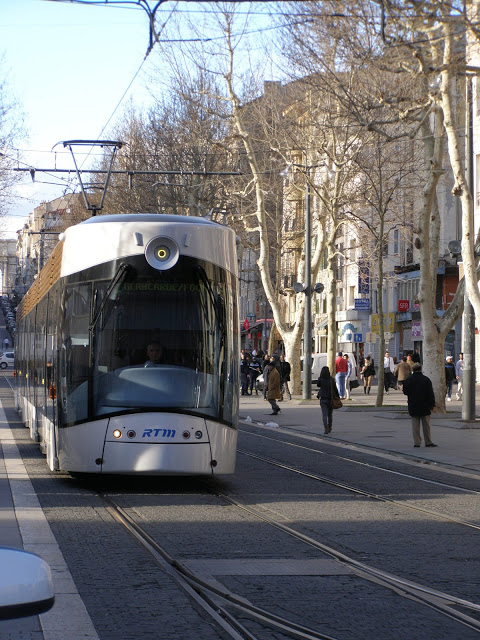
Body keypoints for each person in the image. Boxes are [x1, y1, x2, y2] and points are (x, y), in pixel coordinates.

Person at [402, 362, 437, 447]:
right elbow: (430, 393)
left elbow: (405, 392)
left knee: (415, 425)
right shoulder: (426, 379)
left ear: (412, 369)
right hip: (425, 405)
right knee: (426, 425)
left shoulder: (408, 380)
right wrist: (432, 405)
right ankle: (428, 441)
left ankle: (417, 442)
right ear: (421, 369)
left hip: (413, 404)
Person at [316, 365, 340, 434]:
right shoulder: (331, 379)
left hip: (323, 399)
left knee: (324, 415)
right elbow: (335, 389)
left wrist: (320, 378)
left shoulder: (320, 379)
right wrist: (338, 397)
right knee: (330, 414)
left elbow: (318, 385)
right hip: (330, 399)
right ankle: (330, 427)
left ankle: (325, 427)